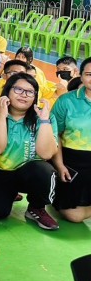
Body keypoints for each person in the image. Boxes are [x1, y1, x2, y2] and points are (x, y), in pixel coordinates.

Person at [0, 73, 60, 231]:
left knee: (44, 170)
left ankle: (36, 207)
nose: (24, 95)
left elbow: (46, 154)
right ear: (7, 91)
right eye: (18, 89)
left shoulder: (45, 116)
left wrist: (44, 121)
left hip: (29, 172)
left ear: (35, 96)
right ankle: (8, 193)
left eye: (30, 92)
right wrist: (2, 116)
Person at [50, 57, 91, 223]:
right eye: (89, 74)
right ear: (81, 75)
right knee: (73, 215)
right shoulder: (66, 101)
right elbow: (55, 135)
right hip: (72, 161)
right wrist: (60, 165)